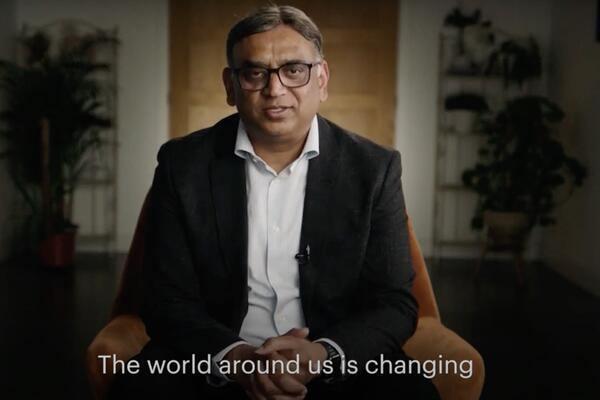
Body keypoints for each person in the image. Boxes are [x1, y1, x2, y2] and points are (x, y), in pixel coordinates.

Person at [109, 5, 439, 400]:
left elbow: (395, 303)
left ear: (322, 78)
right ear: (231, 86)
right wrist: (237, 358)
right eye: (255, 73)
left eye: (294, 70)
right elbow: (165, 298)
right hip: (216, 358)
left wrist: (322, 354)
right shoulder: (183, 165)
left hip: (332, 360)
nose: (275, 89)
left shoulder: (374, 168)